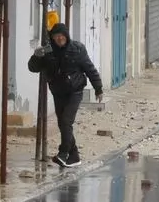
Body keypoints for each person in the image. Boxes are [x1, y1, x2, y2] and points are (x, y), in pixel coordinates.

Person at [28, 22, 103, 168]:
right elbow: (33, 68)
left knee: (66, 121)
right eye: (56, 36)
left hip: (75, 91)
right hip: (58, 92)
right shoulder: (48, 52)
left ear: (67, 36)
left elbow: (90, 68)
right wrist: (36, 56)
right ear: (53, 38)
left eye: (62, 35)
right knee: (63, 123)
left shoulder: (78, 49)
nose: (59, 38)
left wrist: (98, 88)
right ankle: (74, 157)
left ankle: (63, 153)